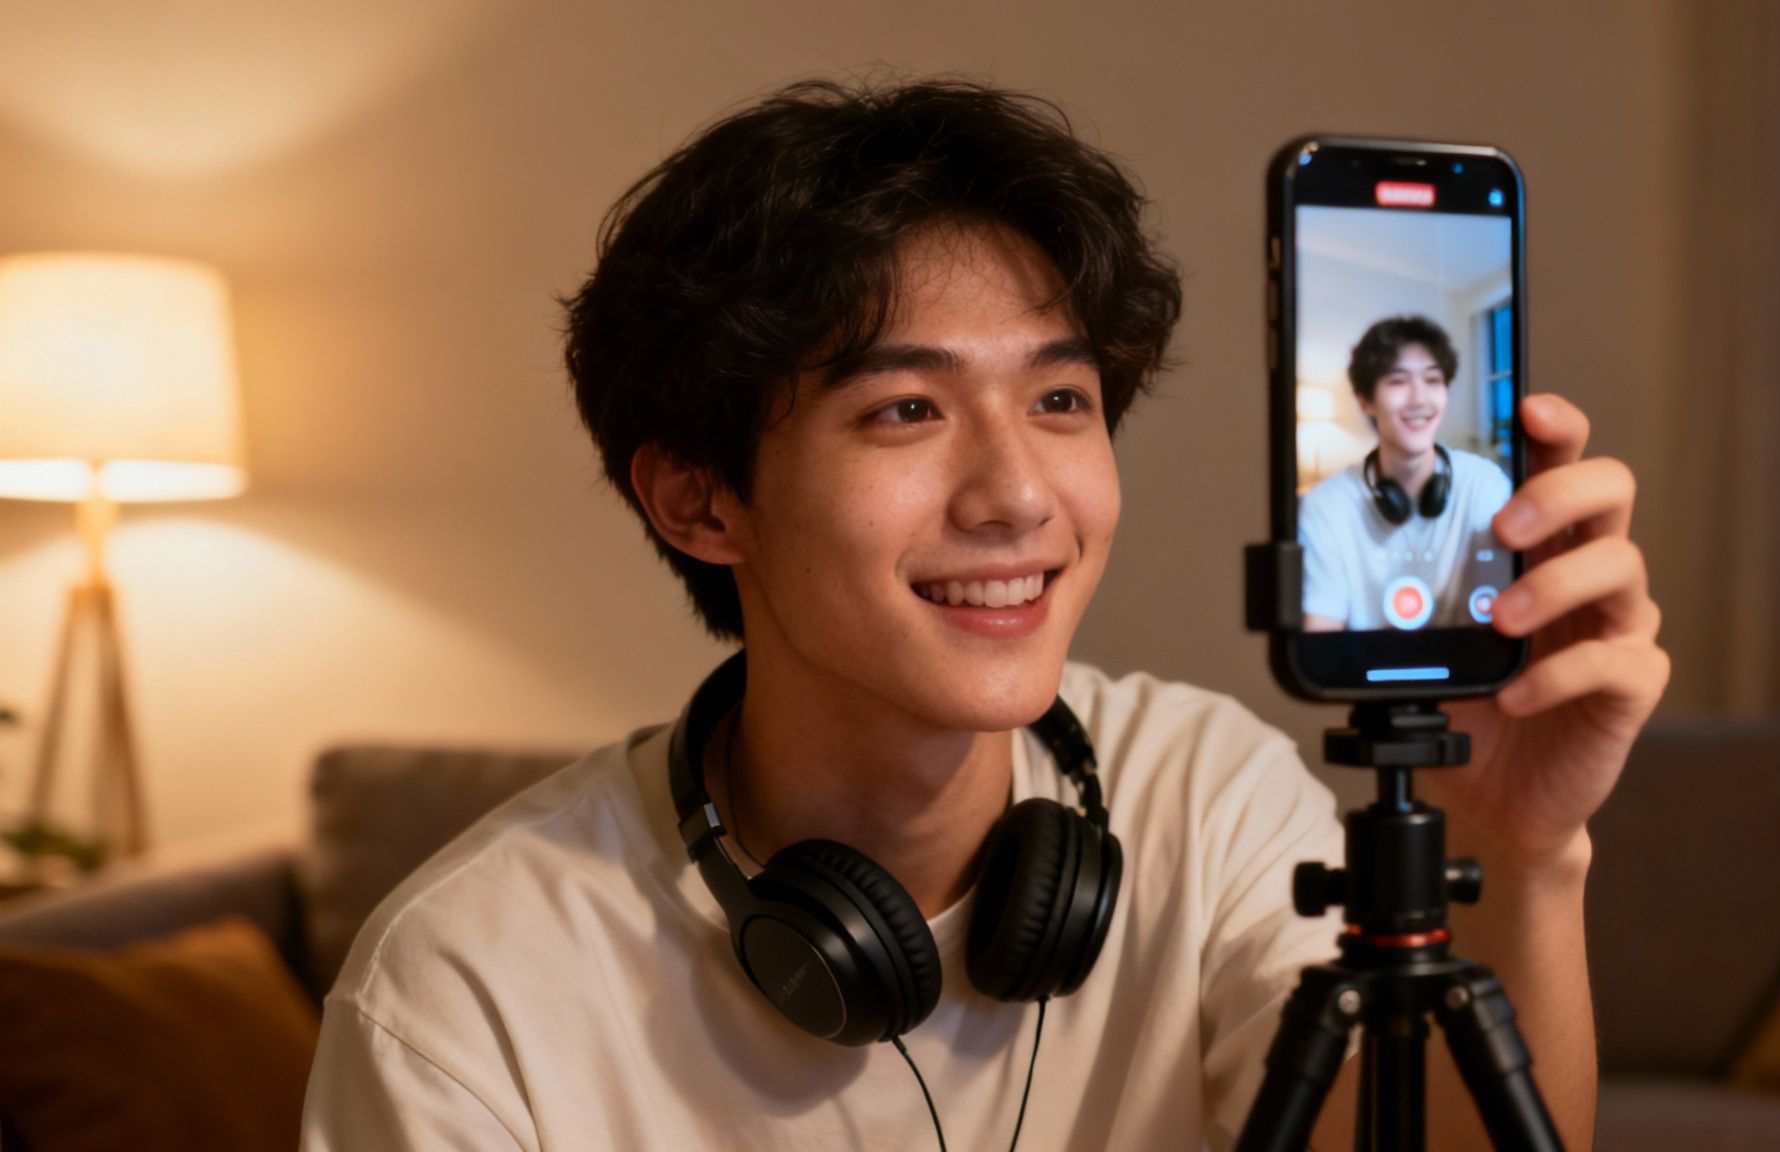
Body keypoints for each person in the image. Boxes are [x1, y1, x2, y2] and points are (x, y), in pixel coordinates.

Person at [300, 78, 1667, 1151]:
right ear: (700, 502)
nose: (1019, 494)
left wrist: (1521, 850)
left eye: (1061, 401)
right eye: (906, 409)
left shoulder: (1208, 797)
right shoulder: (469, 986)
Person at [1300, 315, 1514, 632]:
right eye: (1397, 381)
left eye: (1432, 380)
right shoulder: (1325, 506)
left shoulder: (1484, 484)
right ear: (1365, 402)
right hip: (1361, 674)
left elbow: (1499, 614)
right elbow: (1321, 631)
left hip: (1467, 671)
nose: (1419, 400)